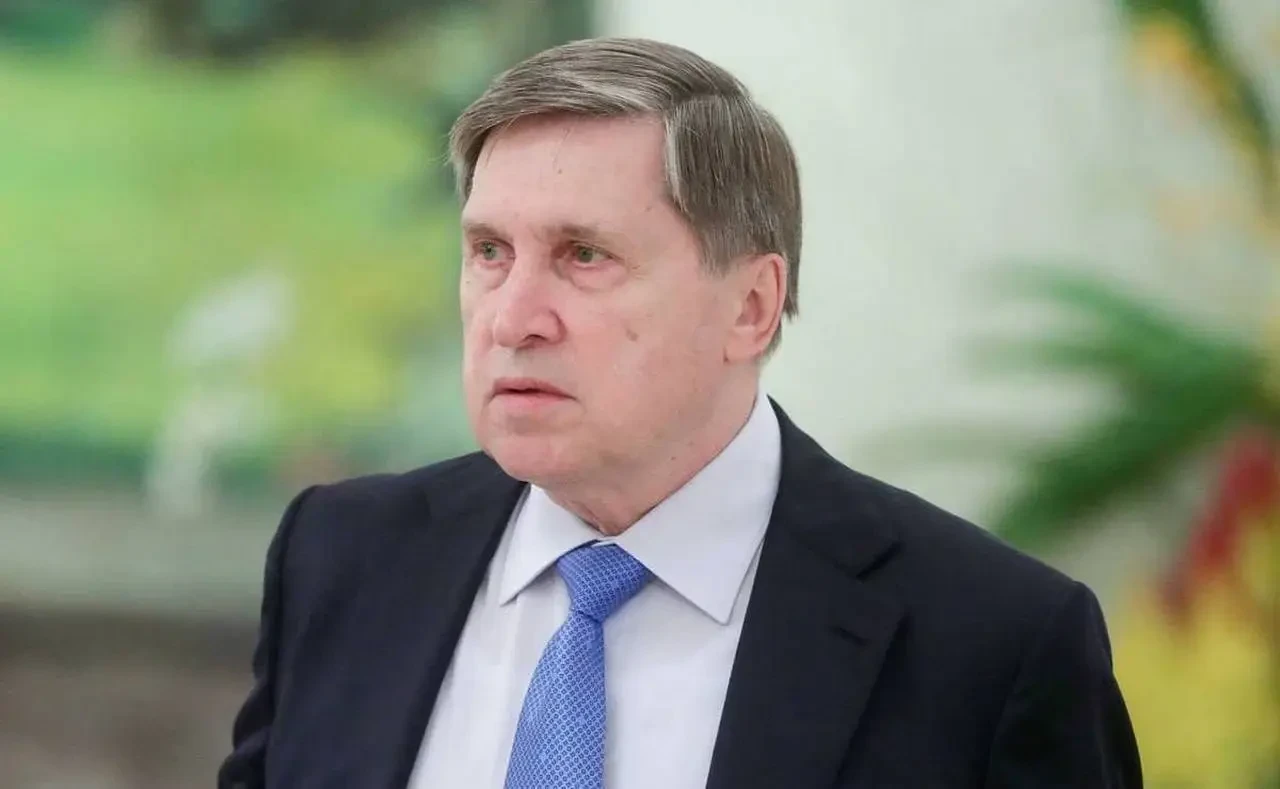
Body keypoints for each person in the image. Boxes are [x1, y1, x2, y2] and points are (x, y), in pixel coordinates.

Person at [218, 37, 1142, 789]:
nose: (512, 317)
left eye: (584, 256)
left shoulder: (991, 643)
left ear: (751, 307)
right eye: (490, 251)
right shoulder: (341, 557)